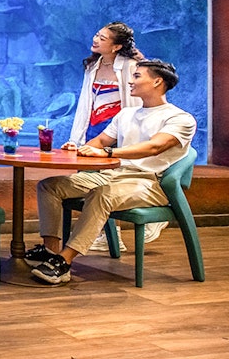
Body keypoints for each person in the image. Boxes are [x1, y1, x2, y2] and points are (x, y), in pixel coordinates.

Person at [25, 59, 197, 285]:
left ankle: (64, 263)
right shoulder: (126, 114)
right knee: (50, 185)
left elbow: (155, 146)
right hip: (114, 175)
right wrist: (81, 149)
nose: (129, 80)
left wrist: (107, 153)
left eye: (137, 76)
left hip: (151, 183)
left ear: (157, 81)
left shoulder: (180, 118)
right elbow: (102, 140)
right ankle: (51, 252)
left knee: (102, 194)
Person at [63, 22, 167, 250]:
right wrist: (77, 137)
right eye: (97, 34)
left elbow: (144, 95)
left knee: (113, 183)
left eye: (103, 37)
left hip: (118, 130)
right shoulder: (93, 65)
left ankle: (115, 235)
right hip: (95, 128)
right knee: (90, 182)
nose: (96, 39)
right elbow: (85, 103)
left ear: (117, 45)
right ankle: (102, 234)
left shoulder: (131, 66)